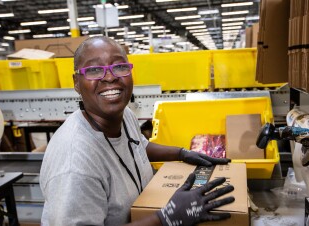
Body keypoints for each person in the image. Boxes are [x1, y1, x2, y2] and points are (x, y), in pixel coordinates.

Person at [40, 36, 235, 226]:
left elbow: (139, 145)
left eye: (119, 66)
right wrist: (166, 218)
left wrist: (182, 153)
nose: (109, 77)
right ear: (76, 82)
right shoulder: (75, 166)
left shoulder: (124, 116)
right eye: (94, 70)